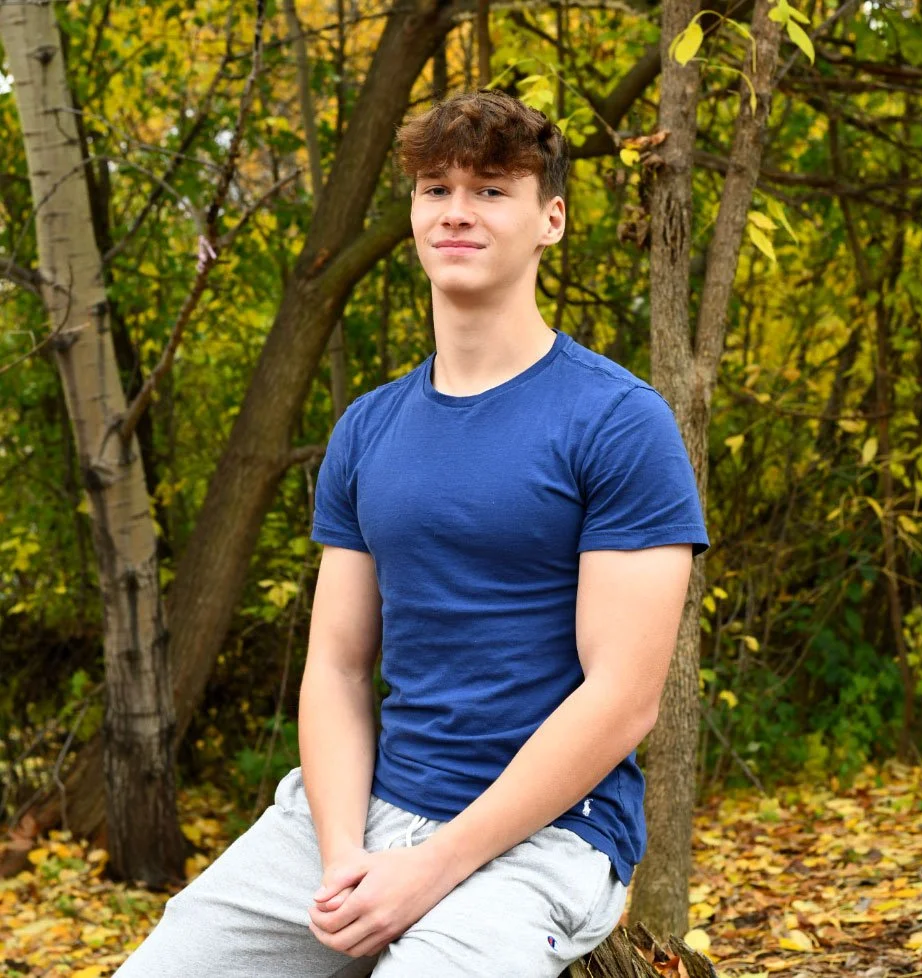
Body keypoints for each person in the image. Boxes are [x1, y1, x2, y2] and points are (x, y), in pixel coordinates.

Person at [114, 89, 709, 978]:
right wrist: (347, 852)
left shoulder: (618, 421)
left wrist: (430, 869)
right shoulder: (368, 428)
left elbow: (622, 698)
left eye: (491, 190)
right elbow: (340, 667)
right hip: (362, 812)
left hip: (547, 838)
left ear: (551, 219)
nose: (457, 212)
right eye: (436, 189)